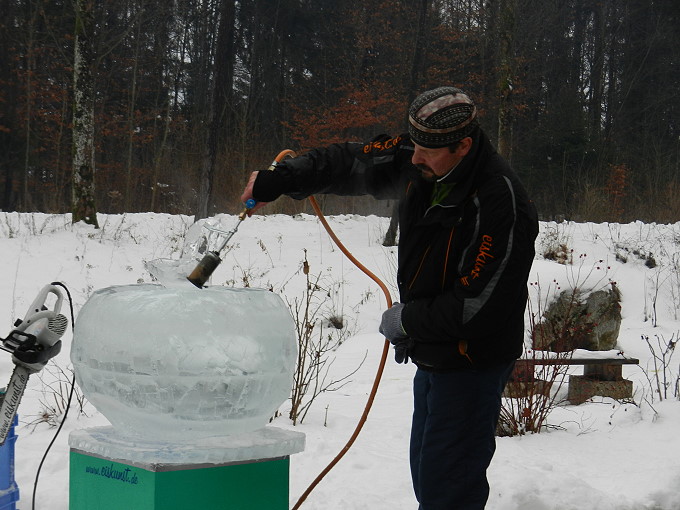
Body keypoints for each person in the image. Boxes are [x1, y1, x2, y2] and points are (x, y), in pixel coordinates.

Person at [240, 86, 538, 509]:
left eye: (426, 151)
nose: (413, 158)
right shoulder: (425, 158)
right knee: (430, 474)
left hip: (473, 361)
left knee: (448, 486)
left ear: (463, 146)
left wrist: (409, 321)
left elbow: (478, 307)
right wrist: (283, 179)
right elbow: (351, 160)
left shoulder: (499, 201)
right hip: (434, 351)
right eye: (412, 145)